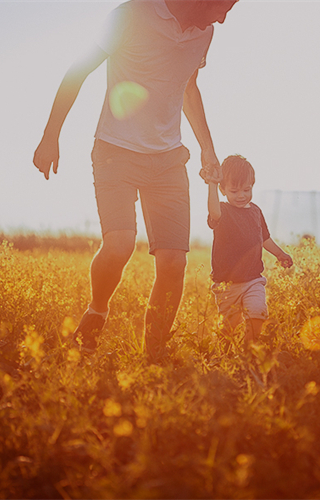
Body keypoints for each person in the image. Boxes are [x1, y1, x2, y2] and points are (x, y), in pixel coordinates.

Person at [33, 0, 238, 362]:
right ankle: (97, 309)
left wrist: (208, 148)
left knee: (174, 263)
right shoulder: (131, 14)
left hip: (168, 159)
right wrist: (51, 135)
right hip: (116, 151)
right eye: (223, 6)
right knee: (119, 247)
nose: (223, 17)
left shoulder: (205, 34)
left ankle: (154, 357)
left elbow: (189, 88)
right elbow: (78, 70)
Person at [207, 155, 293, 351]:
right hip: (227, 284)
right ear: (223, 189)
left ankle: (248, 350)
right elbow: (213, 213)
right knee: (227, 329)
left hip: (253, 279)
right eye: (234, 190)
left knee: (257, 312)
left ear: (252, 186)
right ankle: (223, 356)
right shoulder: (222, 210)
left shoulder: (255, 211)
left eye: (246, 190)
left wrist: (280, 254)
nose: (241, 195)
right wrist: (212, 184)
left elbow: (264, 239)